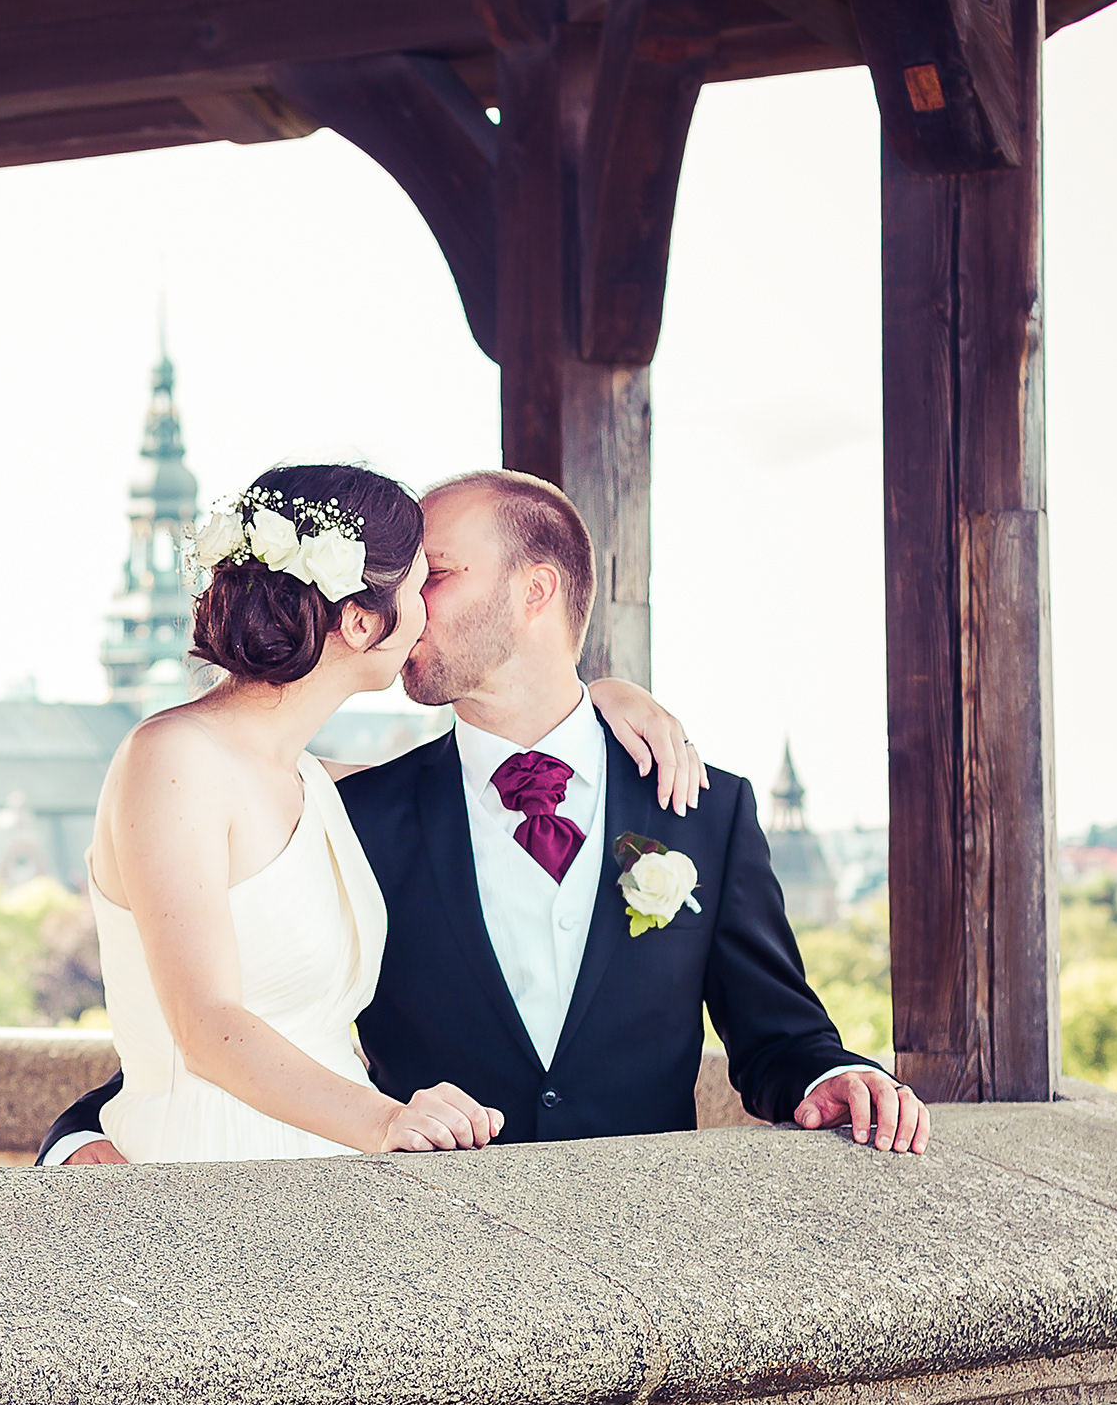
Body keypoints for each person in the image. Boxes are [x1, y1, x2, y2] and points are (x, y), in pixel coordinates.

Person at [54, 465, 925, 1165]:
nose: (410, 601)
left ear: (535, 591)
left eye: (436, 574)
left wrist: (838, 1077)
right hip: (414, 1251)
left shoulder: (702, 805)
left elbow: (781, 1038)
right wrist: (83, 1136)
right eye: (406, 581)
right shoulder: (356, 810)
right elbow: (202, 1026)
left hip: (650, 1257)